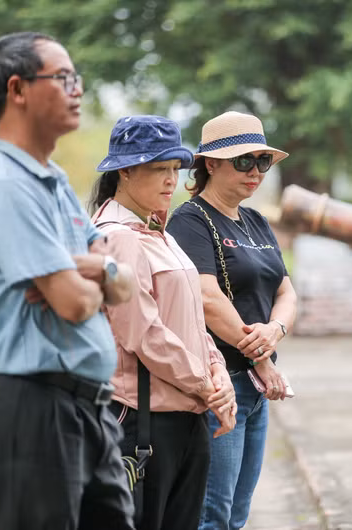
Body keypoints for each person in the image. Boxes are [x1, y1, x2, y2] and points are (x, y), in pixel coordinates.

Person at [0, 32, 136, 529]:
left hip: (89, 408)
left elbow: (123, 286)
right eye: (63, 78)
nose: (76, 89)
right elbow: (75, 305)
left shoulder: (52, 180)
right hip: (35, 411)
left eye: (75, 78)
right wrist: (91, 273)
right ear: (17, 89)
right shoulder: (6, 186)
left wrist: (97, 268)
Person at [89, 115, 237, 530]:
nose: (171, 180)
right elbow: (144, 333)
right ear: (126, 171)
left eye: (176, 169)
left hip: (186, 415)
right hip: (143, 421)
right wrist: (208, 387)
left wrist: (219, 374)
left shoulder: (161, 233)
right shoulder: (116, 236)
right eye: (159, 169)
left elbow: (192, 318)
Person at [166, 111, 298, 530]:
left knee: (237, 513)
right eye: (244, 161)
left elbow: (286, 291)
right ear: (210, 163)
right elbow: (206, 298)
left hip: (257, 388)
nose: (255, 172)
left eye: (262, 161)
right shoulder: (191, 221)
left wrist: (275, 330)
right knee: (212, 514)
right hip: (222, 383)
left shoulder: (256, 221)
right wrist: (261, 359)